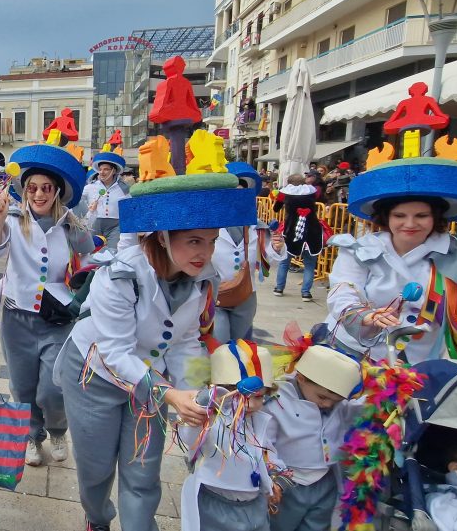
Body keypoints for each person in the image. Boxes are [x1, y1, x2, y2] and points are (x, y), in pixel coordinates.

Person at [58, 168, 258, 531]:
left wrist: (194, 395)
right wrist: (171, 394)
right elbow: (115, 354)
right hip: (95, 375)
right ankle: (97, 519)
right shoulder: (118, 275)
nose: (205, 252)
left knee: (142, 471)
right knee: (96, 469)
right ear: (164, 237)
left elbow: (185, 341)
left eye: (211, 241)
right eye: (194, 241)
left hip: (152, 381)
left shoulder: (203, 279)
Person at [0, 145, 93, 467]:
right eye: (33, 188)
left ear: (57, 190)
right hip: (17, 320)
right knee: (23, 386)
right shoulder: (15, 220)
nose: (39, 194)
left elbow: (91, 258)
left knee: (53, 387)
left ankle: (57, 429)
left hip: (57, 320)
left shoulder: (70, 223)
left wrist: (83, 292)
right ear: (25, 190)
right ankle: (32, 436)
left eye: (46, 188)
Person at [324, 156, 457, 363]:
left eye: (421, 216)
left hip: (418, 362)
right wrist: (364, 317)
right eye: (399, 216)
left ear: (435, 217)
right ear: (386, 218)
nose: (410, 223)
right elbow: (342, 290)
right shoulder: (359, 249)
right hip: (354, 353)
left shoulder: (454, 255)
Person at [179, 340, 278, 531]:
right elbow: (189, 437)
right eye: (242, 397)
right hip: (216, 501)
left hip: (253, 502)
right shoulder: (212, 420)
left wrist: (268, 485)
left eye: (258, 397)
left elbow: (261, 454)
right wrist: (202, 407)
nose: (251, 404)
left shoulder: (258, 420)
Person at [265, 340, 363, 531]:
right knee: (278, 526)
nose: (327, 404)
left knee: (318, 526)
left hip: (325, 482)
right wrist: (273, 475)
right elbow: (264, 443)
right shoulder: (277, 401)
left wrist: (387, 390)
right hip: (288, 483)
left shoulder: (335, 403)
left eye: (335, 401)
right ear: (301, 378)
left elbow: (356, 411)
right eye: (323, 397)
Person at [213, 163, 287, 343]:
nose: (236, 199)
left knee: (242, 345)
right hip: (213, 295)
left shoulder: (257, 226)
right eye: (231, 194)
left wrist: (277, 247)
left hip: (245, 295)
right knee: (219, 343)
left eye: (241, 194)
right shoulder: (206, 225)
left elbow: (268, 256)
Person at [272, 174, 323, 302]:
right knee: (310, 264)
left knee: (284, 261)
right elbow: (322, 198)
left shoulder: (285, 194)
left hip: (292, 231)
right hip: (312, 230)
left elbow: (276, 209)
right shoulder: (312, 192)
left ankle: (279, 288)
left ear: (289, 183)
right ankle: (305, 293)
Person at [83, 148, 130, 251]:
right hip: (95, 224)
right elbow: (77, 201)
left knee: (112, 251)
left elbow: (130, 208)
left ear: (113, 171)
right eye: (100, 169)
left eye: (106, 169)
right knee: (92, 251)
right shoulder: (90, 187)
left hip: (115, 226)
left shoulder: (124, 189)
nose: (102, 172)